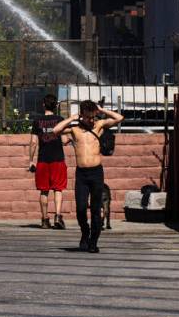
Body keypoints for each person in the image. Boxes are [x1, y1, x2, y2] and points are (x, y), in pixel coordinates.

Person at [52, 100, 123, 253]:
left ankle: (93, 242)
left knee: (96, 210)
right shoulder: (75, 130)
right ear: (82, 115)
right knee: (81, 208)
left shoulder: (99, 125)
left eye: (93, 117)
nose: (91, 120)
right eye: (88, 117)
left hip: (96, 172)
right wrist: (72, 118)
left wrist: (101, 109)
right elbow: (55, 131)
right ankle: (85, 232)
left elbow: (119, 118)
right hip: (82, 174)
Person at [28, 94, 67, 229]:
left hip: (43, 161)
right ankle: (57, 216)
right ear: (56, 106)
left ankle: (45, 220)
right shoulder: (60, 120)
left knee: (44, 191)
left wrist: (31, 161)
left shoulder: (37, 121)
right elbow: (64, 140)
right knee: (58, 189)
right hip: (58, 159)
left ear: (43, 105)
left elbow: (33, 143)